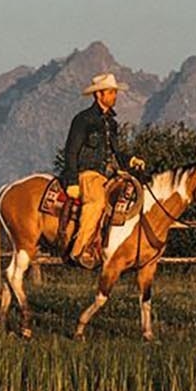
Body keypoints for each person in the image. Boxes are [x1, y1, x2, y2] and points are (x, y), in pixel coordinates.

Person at [61, 73, 140, 268]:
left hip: (108, 175)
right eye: (111, 92)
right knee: (96, 202)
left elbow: (115, 151)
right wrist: (72, 181)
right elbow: (71, 151)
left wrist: (130, 159)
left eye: (115, 92)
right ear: (99, 95)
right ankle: (78, 251)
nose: (115, 96)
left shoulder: (111, 123)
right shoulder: (83, 120)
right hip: (87, 173)